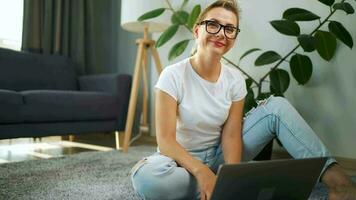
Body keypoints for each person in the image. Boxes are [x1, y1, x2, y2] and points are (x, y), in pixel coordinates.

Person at [130, 0, 356, 199]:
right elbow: (167, 142)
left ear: (234, 39)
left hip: (218, 156)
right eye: (213, 25)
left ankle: (341, 184)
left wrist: (232, 178)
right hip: (179, 162)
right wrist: (202, 172)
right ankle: (216, 184)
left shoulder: (235, 80)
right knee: (150, 180)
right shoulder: (173, 75)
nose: (221, 33)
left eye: (230, 29)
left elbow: (231, 134)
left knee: (276, 106)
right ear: (197, 30)